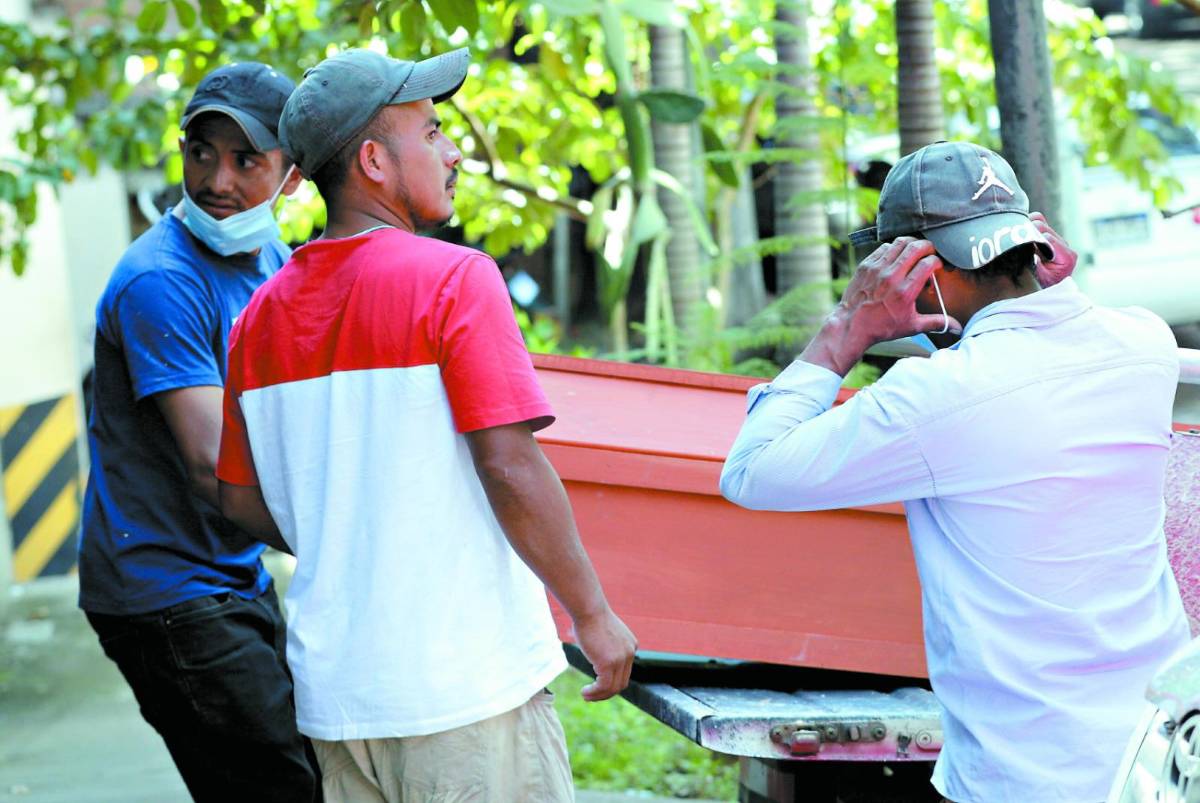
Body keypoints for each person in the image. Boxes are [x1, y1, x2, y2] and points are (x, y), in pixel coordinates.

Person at [215, 47, 637, 802]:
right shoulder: (454, 279)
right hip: (463, 688)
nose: (451, 152)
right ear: (374, 161)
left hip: (340, 704)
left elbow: (241, 502)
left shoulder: (257, 320)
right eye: (434, 131)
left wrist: (349, 521)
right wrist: (594, 614)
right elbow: (509, 465)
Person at [720, 140, 1191, 803]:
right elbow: (1026, 344)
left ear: (918, 267)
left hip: (1029, 774)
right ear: (1031, 243)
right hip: (1159, 755)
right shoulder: (1142, 343)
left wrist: (846, 329)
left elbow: (752, 472)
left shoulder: (938, 396)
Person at [78, 63, 321, 801]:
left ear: (292, 176)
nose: (217, 179)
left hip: (227, 571)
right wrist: (340, 544)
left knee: (318, 769)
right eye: (201, 151)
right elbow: (212, 466)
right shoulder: (161, 280)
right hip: (167, 591)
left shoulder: (271, 263)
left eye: (246, 159)